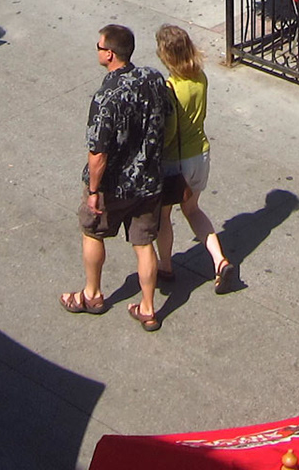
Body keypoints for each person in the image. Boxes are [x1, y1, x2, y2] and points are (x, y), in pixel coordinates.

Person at [62, 24, 170, 328]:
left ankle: (92, 293)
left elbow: (98, 154)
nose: (97, 50)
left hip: (113, 186)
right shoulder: (152, 78)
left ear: (109, 54)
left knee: (93, 232)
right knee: (143, 244)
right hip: (148, 181)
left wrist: (94, 191)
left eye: (99, 46)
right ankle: (148, 308)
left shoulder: (106, 96)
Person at [152, 25, 237, 294]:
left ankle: (165, 265)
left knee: (163, 216)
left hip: (175, 162)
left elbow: (169, 132)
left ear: (165, 55)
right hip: (200, 154)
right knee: (193, 210)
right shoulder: (200, 77)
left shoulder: (170, 88)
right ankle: (219, 260)